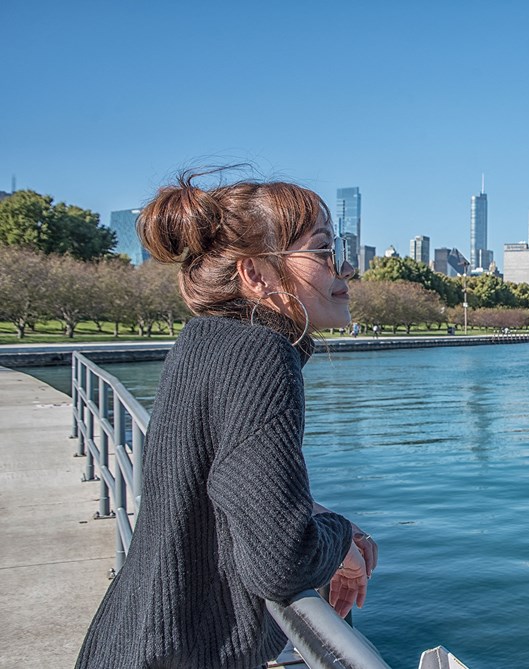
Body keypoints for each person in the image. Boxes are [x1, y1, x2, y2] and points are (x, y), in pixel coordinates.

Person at [76, 169, 379, 669]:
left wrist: (316, 514)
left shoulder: (202, 339)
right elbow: (282, 562)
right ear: (256, 274)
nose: (342, 265)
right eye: (323, 250)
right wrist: (342, 535)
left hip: (128, 640)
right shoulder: (262, 355)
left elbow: (216, 484)